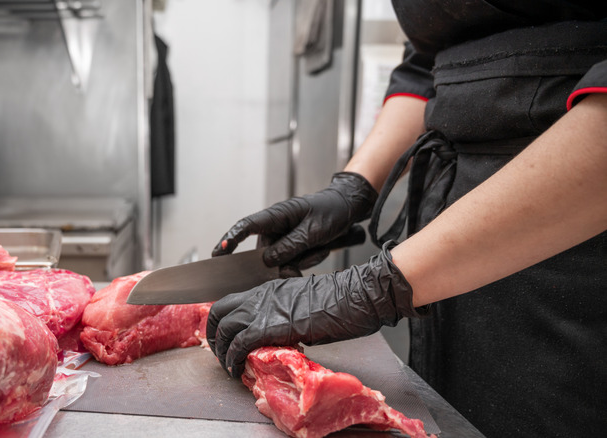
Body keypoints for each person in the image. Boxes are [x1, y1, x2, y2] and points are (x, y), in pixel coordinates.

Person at [206, 2, 607, 437]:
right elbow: (425, 66)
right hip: (447, 227)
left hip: (572, 231)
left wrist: (375, 287)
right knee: (442, 414)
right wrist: (354, 186)